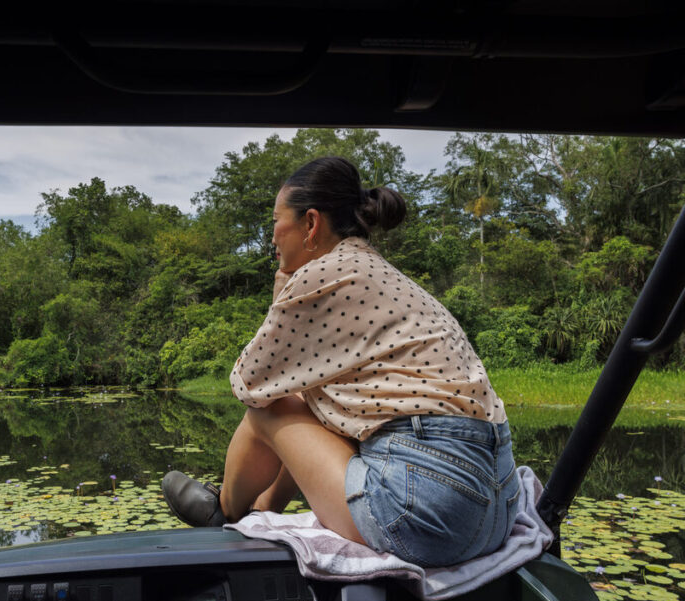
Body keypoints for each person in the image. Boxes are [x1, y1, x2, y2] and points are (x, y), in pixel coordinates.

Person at [162, 156, 519, 568]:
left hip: (425, 511)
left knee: (267, 413)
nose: (272, 237)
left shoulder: (323, 273)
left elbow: (249, 383)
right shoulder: (381, 273)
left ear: (311, 224)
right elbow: (317, 402)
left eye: (276, 221)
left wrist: (280, 297)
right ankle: (263, 512)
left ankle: (222, 510)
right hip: (496, 508)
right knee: (319, 408)